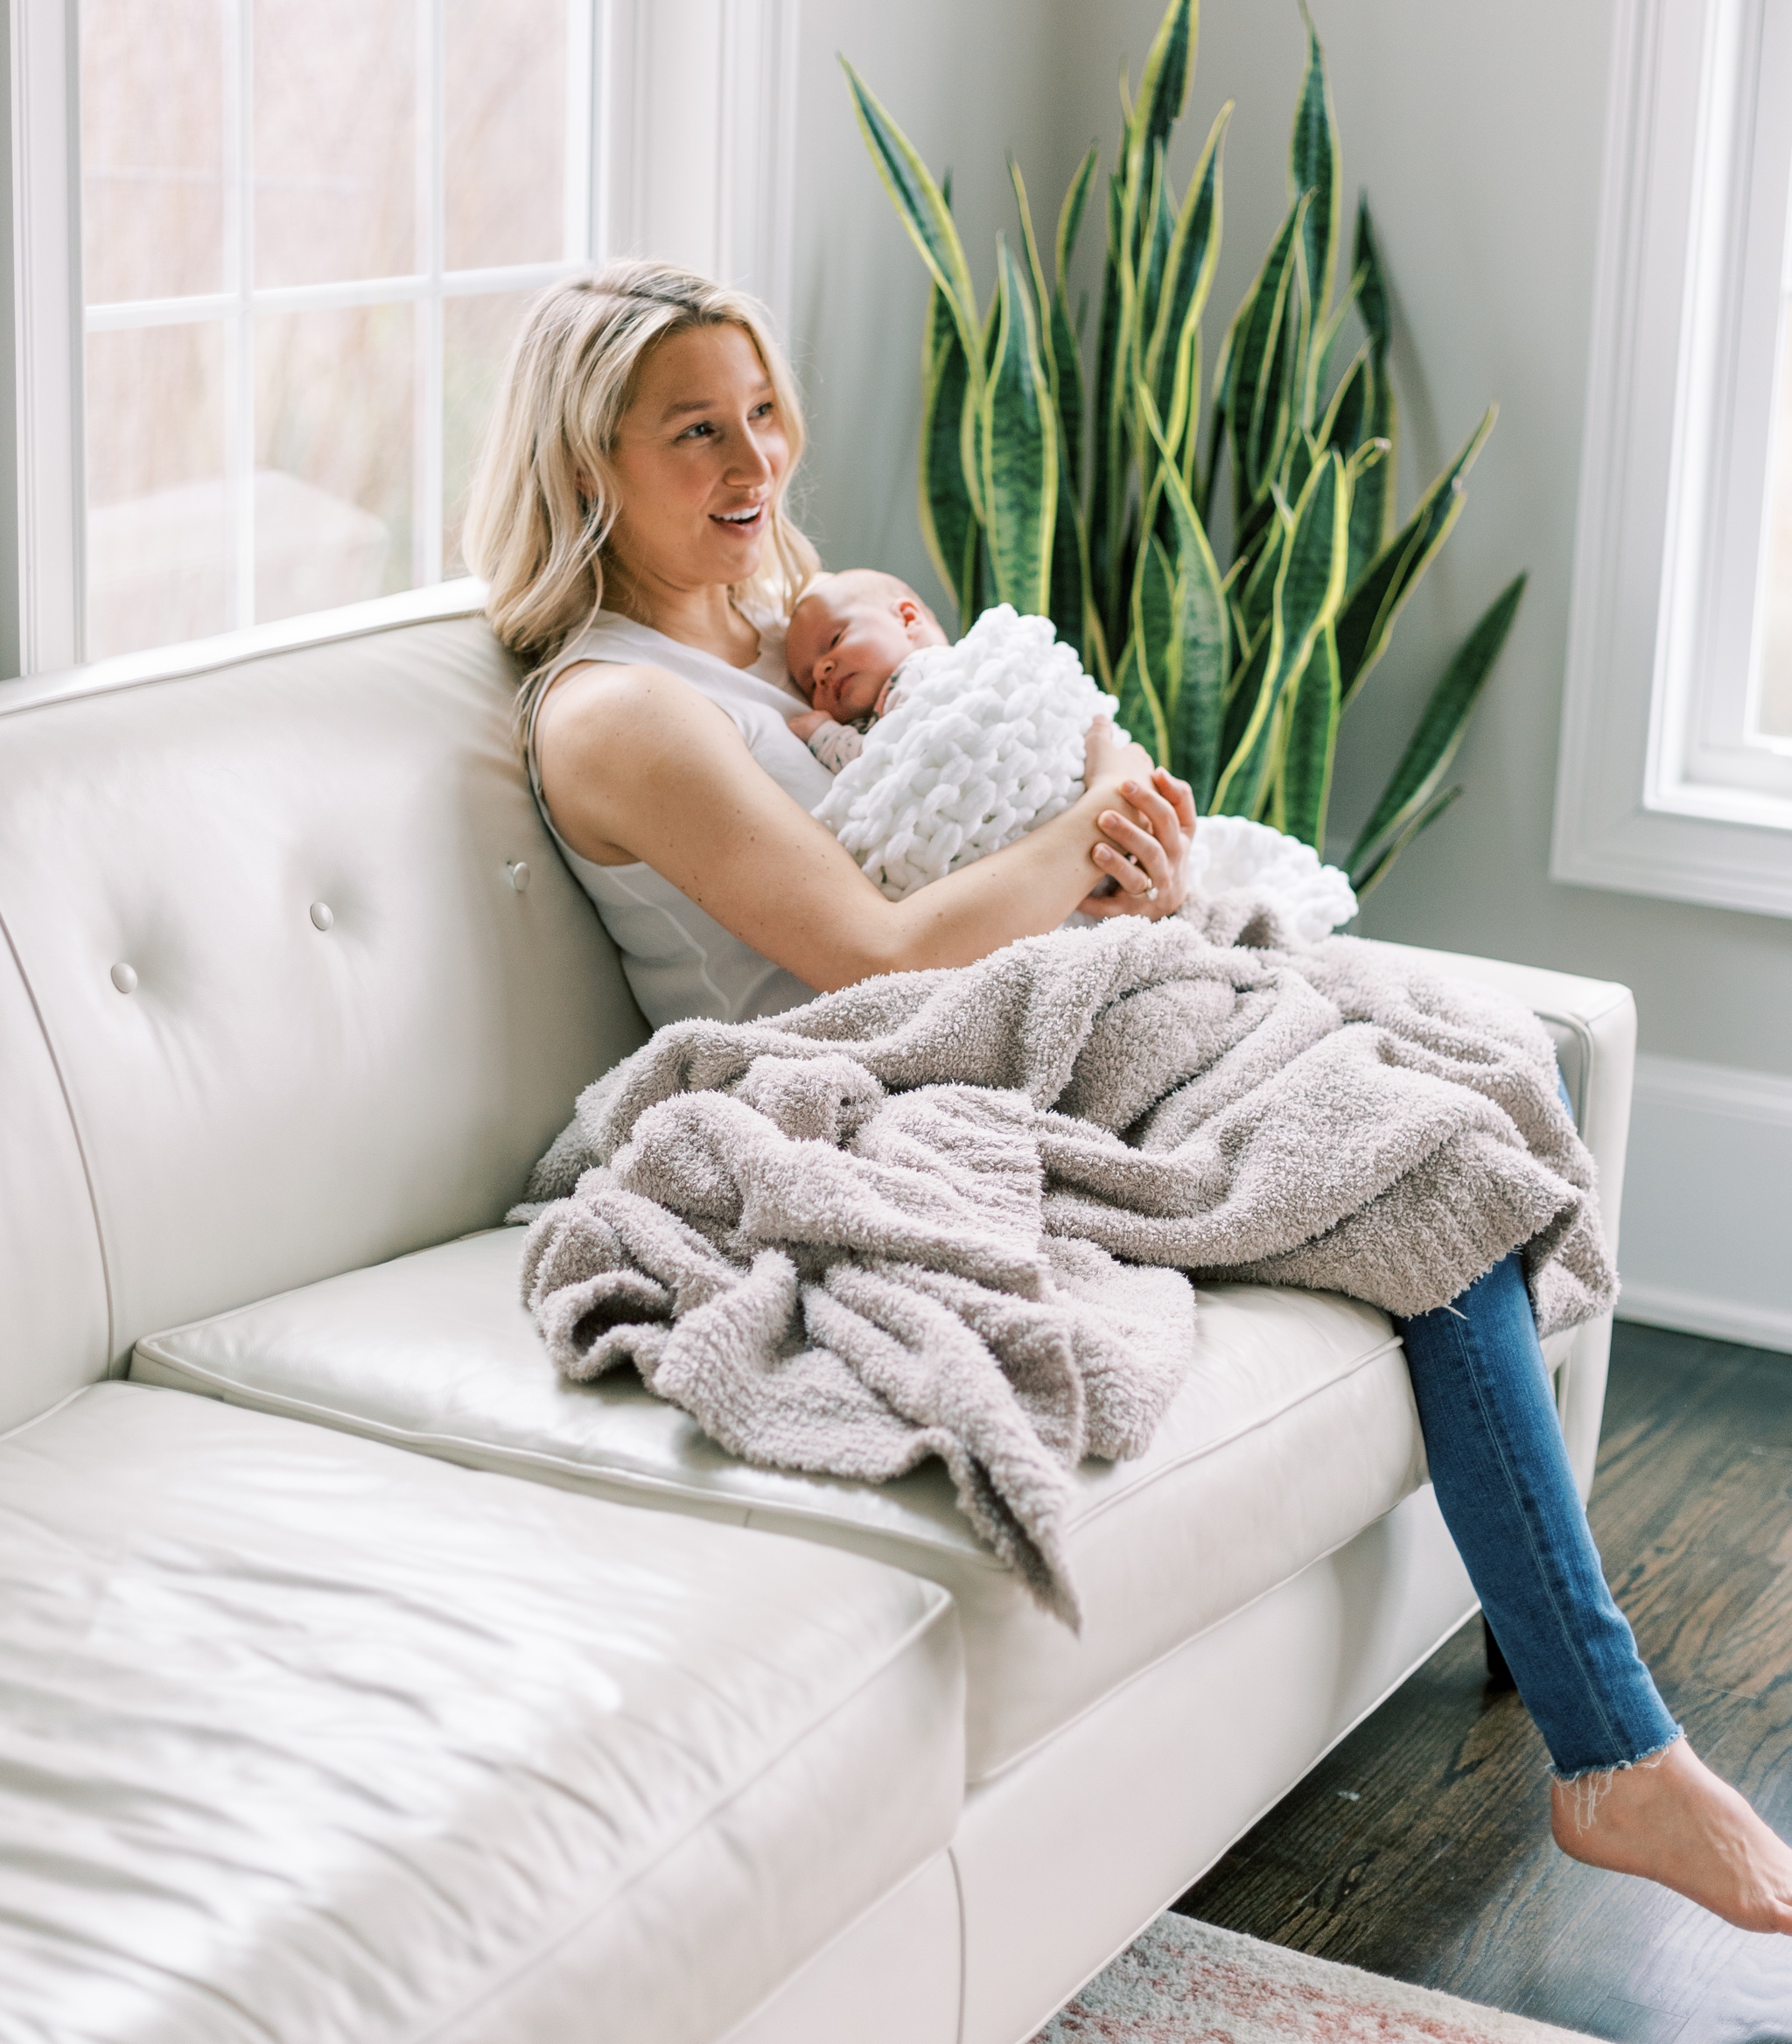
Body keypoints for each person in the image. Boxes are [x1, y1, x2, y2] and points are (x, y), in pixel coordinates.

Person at [465, 257, 1792, 1936]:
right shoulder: (618, 710)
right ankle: (1614, 1746)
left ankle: (1572, 1680)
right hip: (884, 1066)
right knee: (1407, 1144)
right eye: (694, 435)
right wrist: (1081, 844)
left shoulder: (802, 613)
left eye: (762, 413)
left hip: (1040, 993)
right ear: (588, 461)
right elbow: (874, 949)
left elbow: (1047, 728)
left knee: (1475, 1072)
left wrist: (1119, 804)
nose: (755, 464)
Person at [783, 566, 948, 771]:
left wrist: (823, 735)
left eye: (835, 640)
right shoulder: (865, 727)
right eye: (811, 685)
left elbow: (883, 766)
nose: (820, 672)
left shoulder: (929, 670)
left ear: (907, 618)